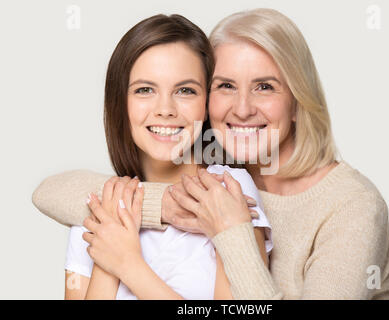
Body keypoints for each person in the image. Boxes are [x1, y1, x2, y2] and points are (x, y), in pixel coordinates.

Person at [32, 8, 389, 299]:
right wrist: (161, 205)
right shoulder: (217, 174)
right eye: (225, 86)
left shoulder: (352, 205)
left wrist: (231, 232)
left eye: (264, 87)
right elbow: (49, 192)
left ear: (299, 100)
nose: (242, 109)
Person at [55, 13, 272, 300]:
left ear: (206, 104)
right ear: (121, 102)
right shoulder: (102, 204)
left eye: (185, 90)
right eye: (145, 90)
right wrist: (107, 266)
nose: (165, 109)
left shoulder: (227, 189)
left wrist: (129, 266)